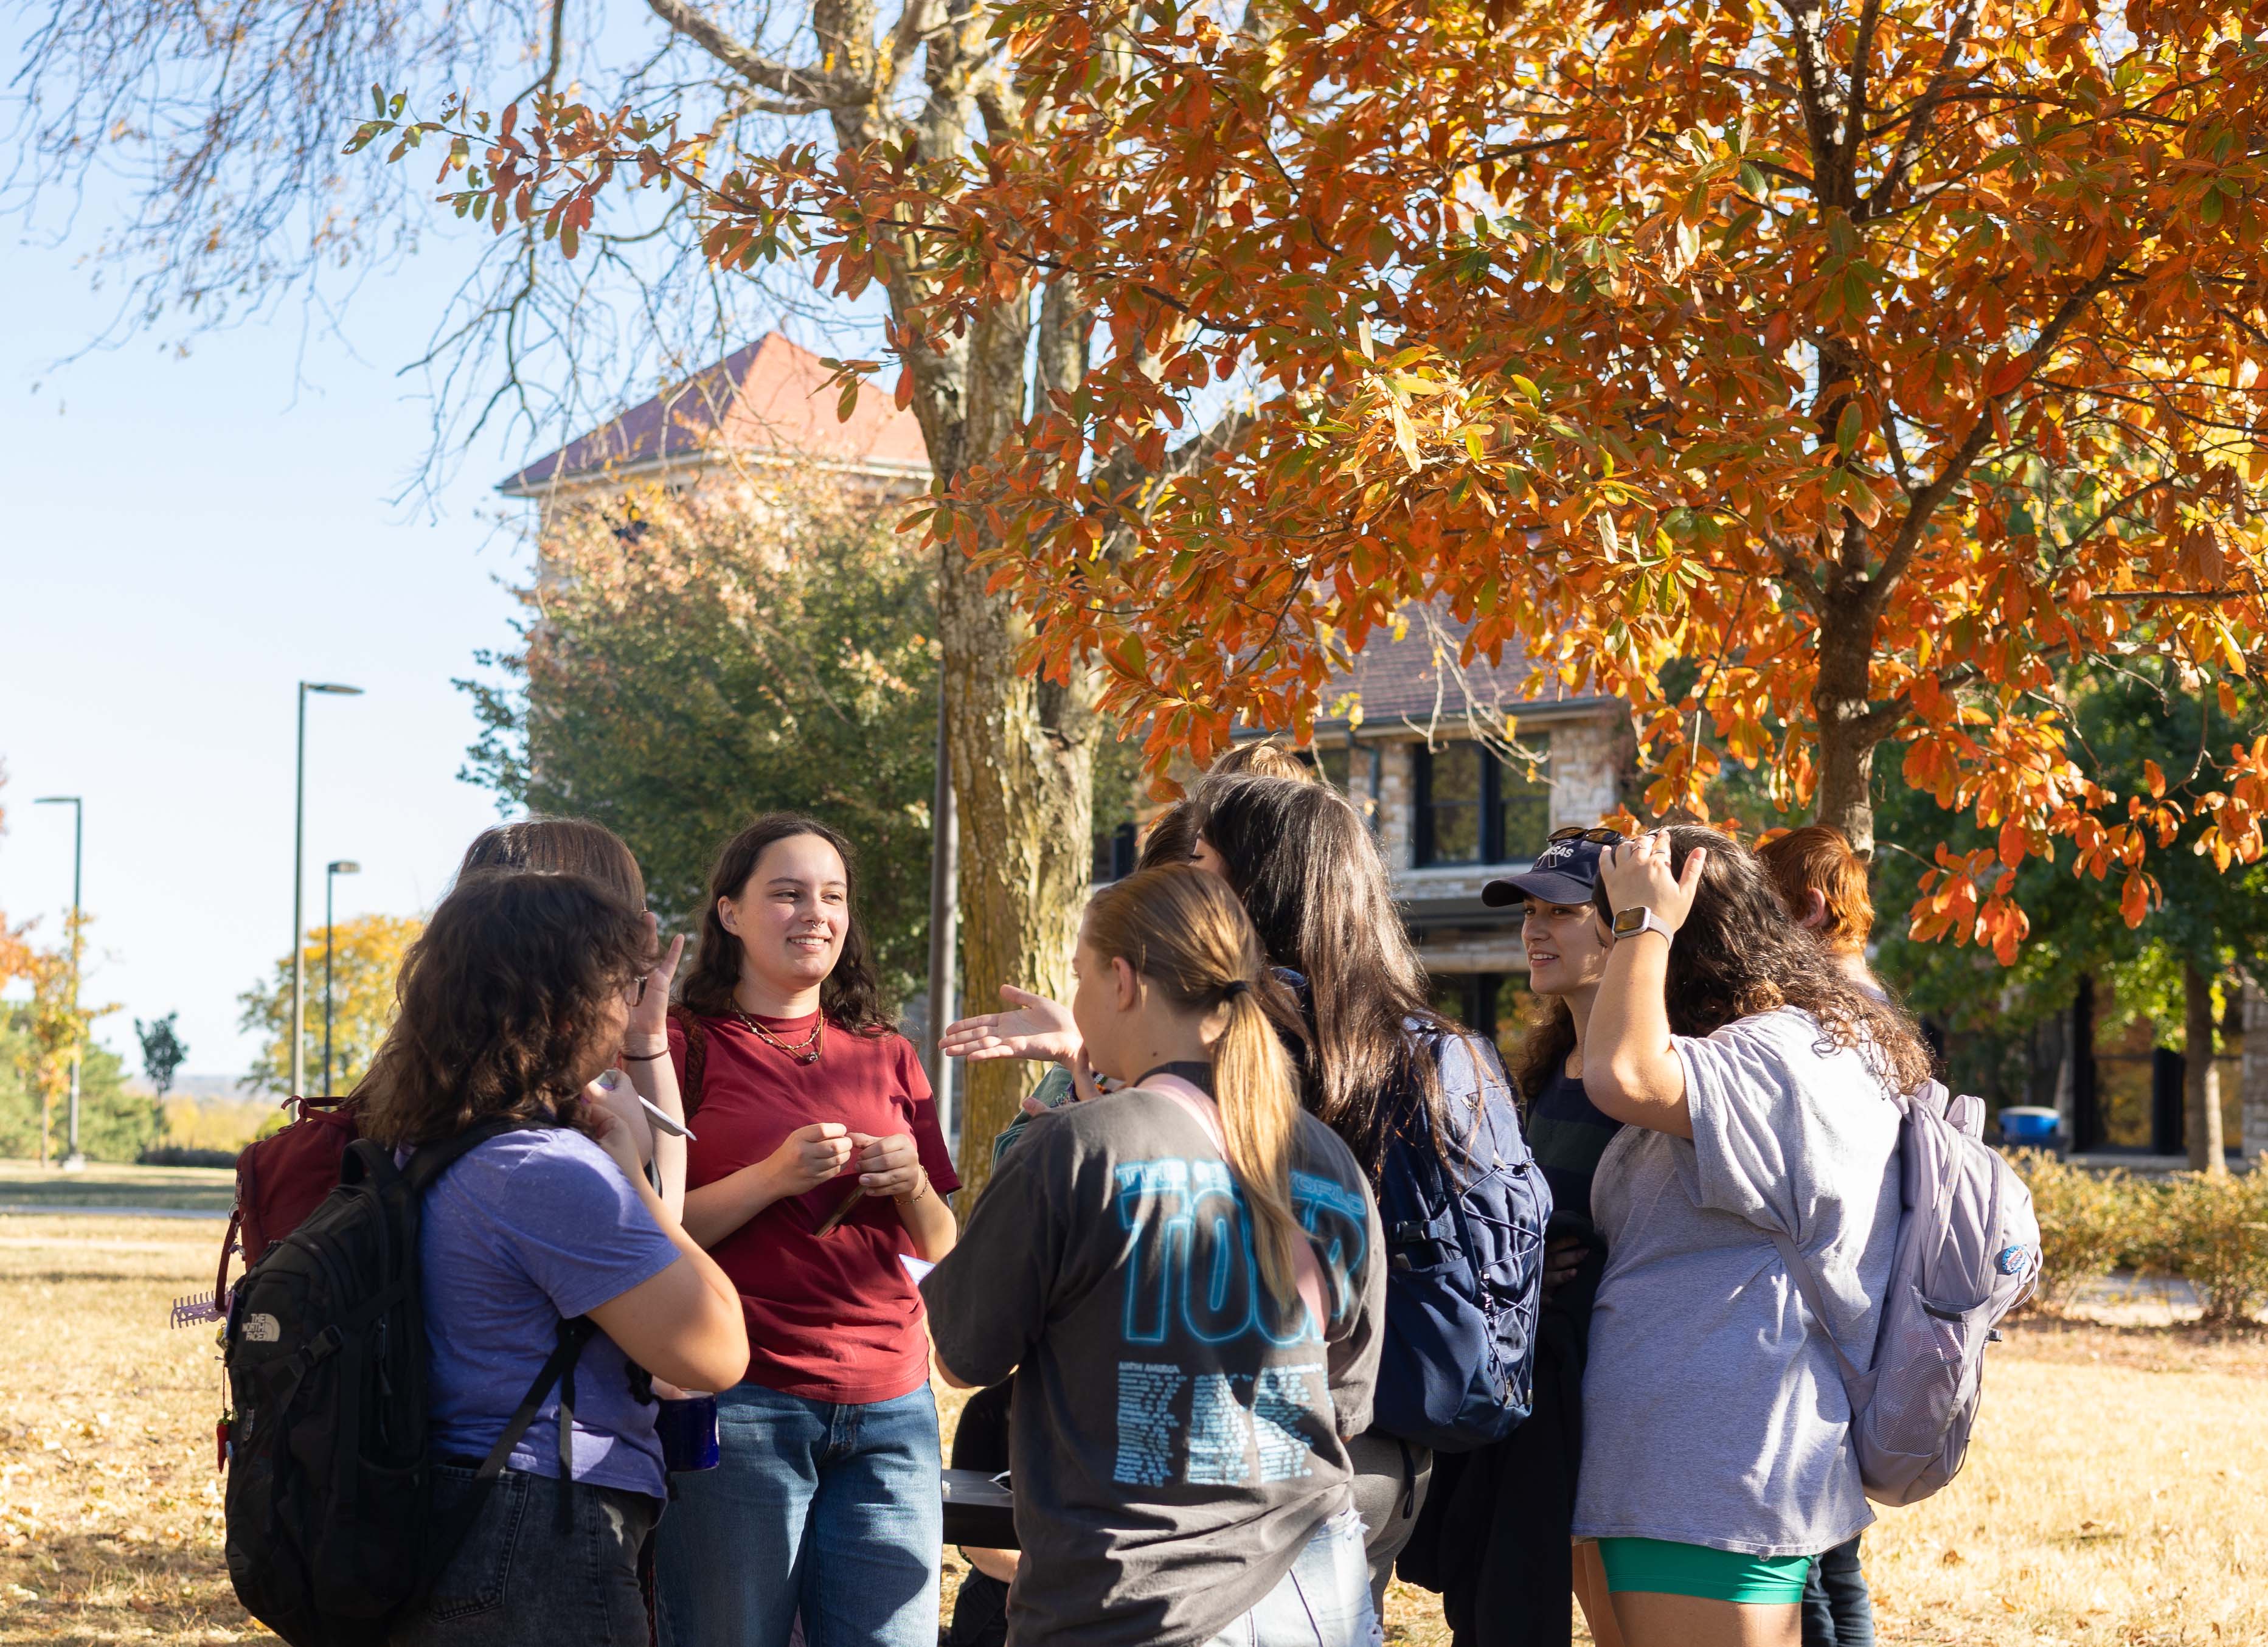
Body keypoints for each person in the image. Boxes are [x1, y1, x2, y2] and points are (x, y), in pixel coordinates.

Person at [946, 775, 1542, 1621]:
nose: (1179, 879)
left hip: (1187, 1476)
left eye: (1198, 858)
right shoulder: (1436, 1051)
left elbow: (979, 1332)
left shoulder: (1217, 1054)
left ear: (1250, 888)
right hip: (1362, 1461)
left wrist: (1088, 1095)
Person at [921, 864, 1387, 1646]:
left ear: (1122, 979)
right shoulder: (1330, 1159)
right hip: (1316, 1585)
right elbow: (1348, 1396)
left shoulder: (1075, 1148)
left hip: (1131, 1597)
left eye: (1077, 975)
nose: (1074, 1001)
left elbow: (964, 1350)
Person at [357, 869, 748, 1647]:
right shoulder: (549, 1173)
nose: (625, 1007)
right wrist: (633, 1170)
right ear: (562, 1002)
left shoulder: (427, 1140)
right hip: (537, 1531)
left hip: (441, 1509)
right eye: (617, 985)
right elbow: (716, 1350)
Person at [1575, 828, 1930, 1647]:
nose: (1611, 965)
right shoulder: (1812, 1040)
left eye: (1613, 938)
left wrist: (1643, 925)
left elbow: (1623, 1074)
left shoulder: (1773, 1054)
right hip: (1713, 1459)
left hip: (1710, 1464)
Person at [651, 814, 960, 1647]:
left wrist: (913, 1186)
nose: (813, 914)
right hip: (742, 1400)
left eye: (832, 896)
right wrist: (770, 1180)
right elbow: (645, 1235)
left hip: (893, 1406)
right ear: (728, 913)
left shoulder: (888, 1053)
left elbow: (940, 1250)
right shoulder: (677, 1048)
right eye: (785, 894)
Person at [1404, 827, 1626, 1647]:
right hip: (1518, 1385)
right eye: (1527, 912)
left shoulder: (1658, 1074)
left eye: (1560, 914)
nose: (1533, 930)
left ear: (1621, 926)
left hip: (1603, 1396)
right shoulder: (1541, 1071)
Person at [1755, 824, 1884, 1647]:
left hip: (1821, 1321)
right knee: (1833, 1565)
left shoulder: (1830, 1023)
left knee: (1806, 1568)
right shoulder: (1879, 1009)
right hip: (1859, 1312)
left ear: (1806, 910)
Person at [457, 819, 691, 1213]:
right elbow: (670, 1252)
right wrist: (633, 1171)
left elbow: (668, 1205)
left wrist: (645, 1034)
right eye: (634, 914)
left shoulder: (451, 1075)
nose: (643, 937)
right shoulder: (543, 1147)